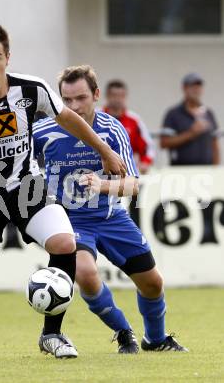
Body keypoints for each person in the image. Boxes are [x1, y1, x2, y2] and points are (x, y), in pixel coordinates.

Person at [0, 23, 126, 360]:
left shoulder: (33, 88)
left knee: (65, 242)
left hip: (26, 186)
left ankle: (52, 334)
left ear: (7, 57)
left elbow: (67, 118)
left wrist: (105, 150)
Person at [33, 65, 187, 353]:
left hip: (110, 217)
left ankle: (155, 339)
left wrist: (101, 185)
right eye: (66, 100)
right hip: (70, 221)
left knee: (152, 283)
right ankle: (123, 331)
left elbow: (133, 184)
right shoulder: (43, 130)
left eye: (80, 98)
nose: (73, 106)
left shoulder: (112, 129)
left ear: (96, 94)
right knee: (86, 274)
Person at [160, 73, 220, 165]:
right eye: (192, 86)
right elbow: (164, 143)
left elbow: (214, 143)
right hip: (182, 170)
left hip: (207, 171)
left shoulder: (209, 113)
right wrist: (191, 133)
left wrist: (216, 167)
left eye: (198, 86)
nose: (196, 90)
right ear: (184, 88)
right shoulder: (173, 114)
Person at [103, 80, 155, 174]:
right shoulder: (96, 116)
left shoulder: (134, 120)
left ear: (125, 97)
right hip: (100, 173)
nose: (117, 99)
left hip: (127, 174)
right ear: (107, 96)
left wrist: (145, 163)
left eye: (121, 96)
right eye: (114, 95)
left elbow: (149, 147)